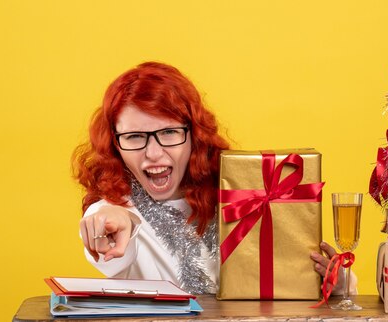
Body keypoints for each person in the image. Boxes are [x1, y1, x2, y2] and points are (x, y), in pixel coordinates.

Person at [74, 61, 354, 295]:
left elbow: (291, 276)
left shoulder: (240, 197)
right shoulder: (114, 217)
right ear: (115, 144)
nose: (154, 153)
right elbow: (110, 240)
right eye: (135, 137)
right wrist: (110, 221)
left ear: (193, 134)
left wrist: (336, 282)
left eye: (169, 132)